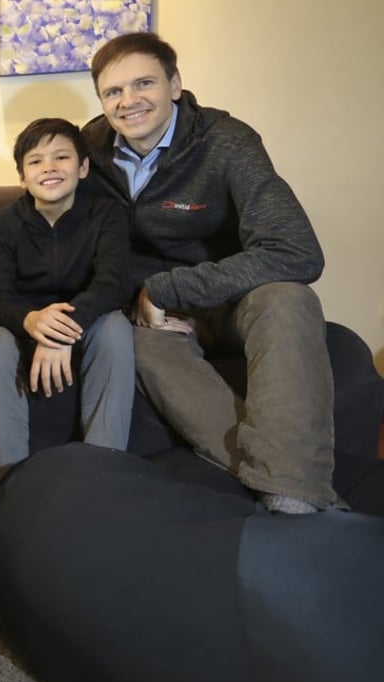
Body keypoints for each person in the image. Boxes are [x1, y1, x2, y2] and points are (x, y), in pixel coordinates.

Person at [81, 31, 340, 514]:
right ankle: (286, 489)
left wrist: (167, 286)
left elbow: (298, 251)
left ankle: (293, 491)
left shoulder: (227, 141)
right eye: (112, 91)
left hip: (233, 295)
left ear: (175, 84)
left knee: (290, 299)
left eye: (144, 83)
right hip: (156, 315)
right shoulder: (87, 151)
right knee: (127, 337)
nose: (128, 101)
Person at [0, 117, 134, 490]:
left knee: (116, 326)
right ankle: (8, 488)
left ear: (82, 168)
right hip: (25, 327)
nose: (49, 167)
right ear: (22, 176)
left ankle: (102, 480)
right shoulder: (3, 224)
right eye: (35, 161)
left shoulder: (107, 214)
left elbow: (114, 284)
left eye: (61, 157)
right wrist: (32, 322)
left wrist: (62, 331)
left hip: (88, 322)